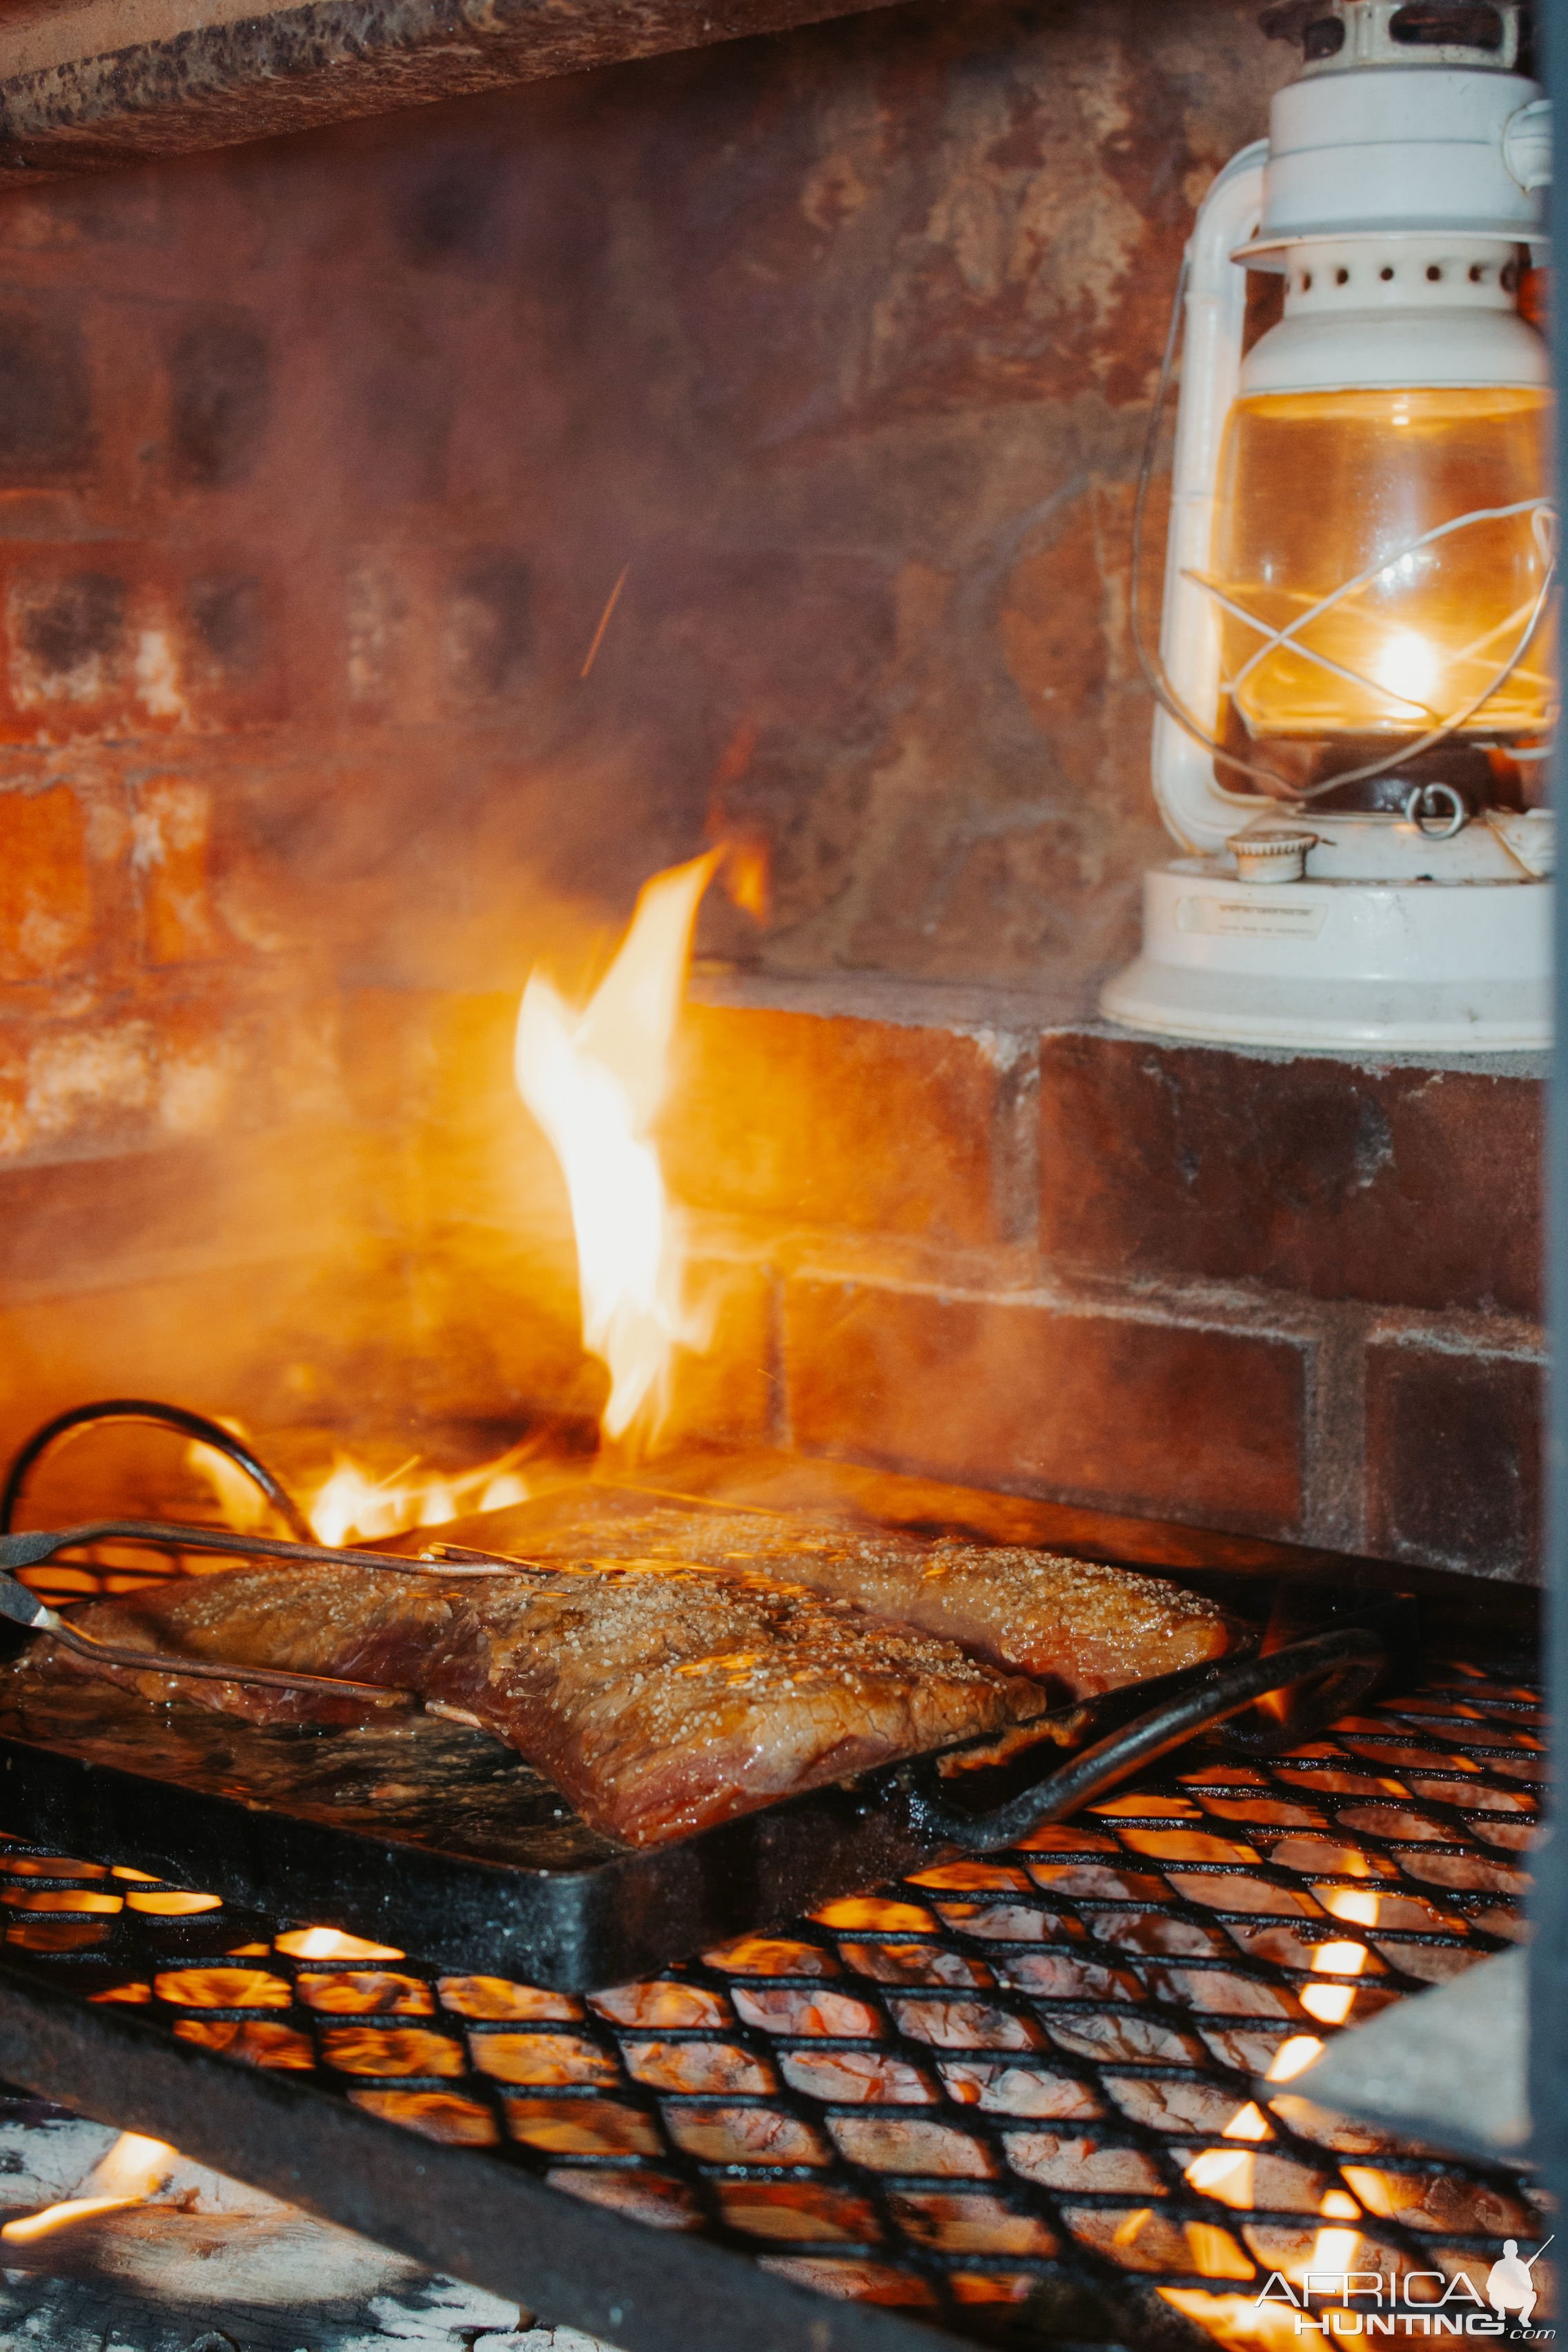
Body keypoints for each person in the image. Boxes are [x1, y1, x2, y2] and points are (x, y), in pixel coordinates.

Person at [1487, 2240, 1550, 2329]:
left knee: (1532, 2295)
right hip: (1501, 2299)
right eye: (1508, 2250)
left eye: (1511, 2251)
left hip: (1517, 2299)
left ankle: (1524, 2318)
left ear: (1516, 2252)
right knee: (1492, 2295)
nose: (1510, 2253)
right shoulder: (1499, 2265)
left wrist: (1519, 2284)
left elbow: (1529, 2286)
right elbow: (1490, 2286)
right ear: (1504, 2251)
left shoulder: (1521, 2266)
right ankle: (1501, 2312)